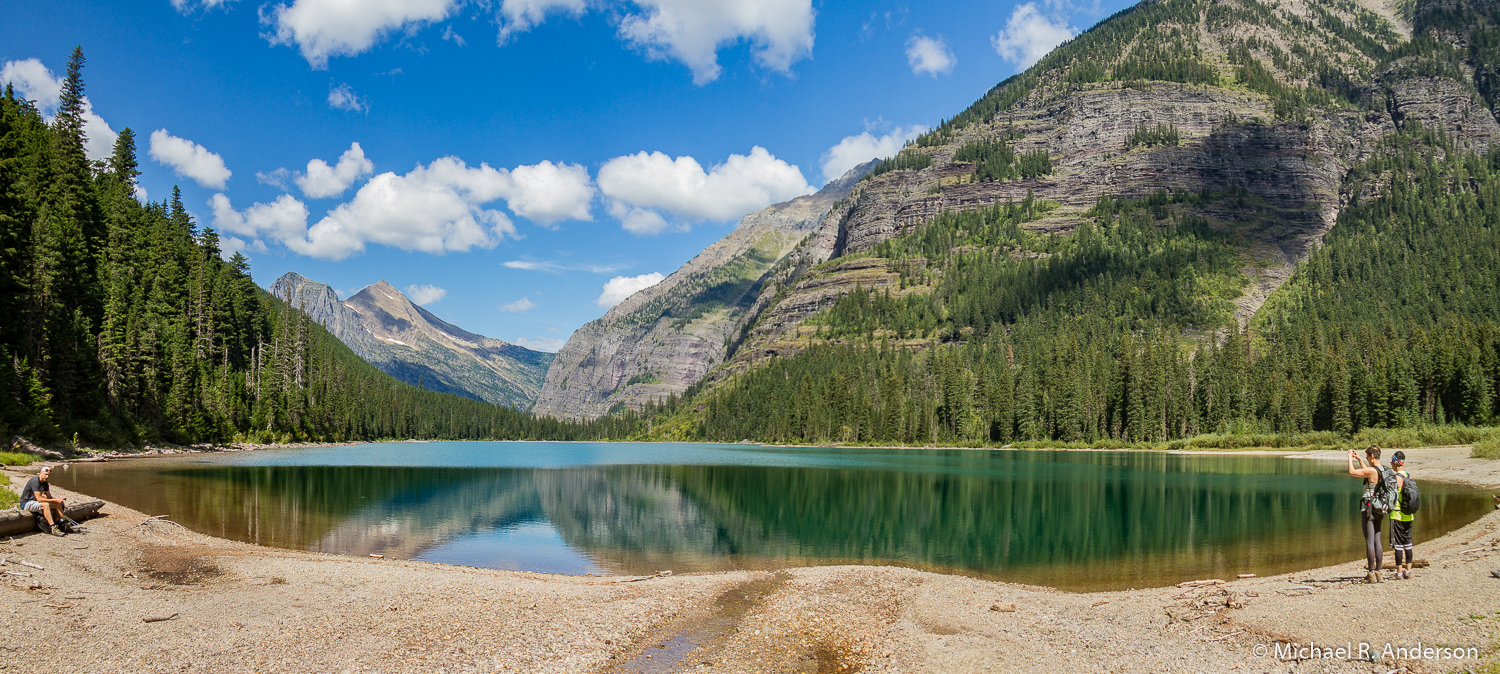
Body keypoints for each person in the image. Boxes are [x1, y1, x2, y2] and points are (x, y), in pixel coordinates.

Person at [1348, 445, 1399, 583]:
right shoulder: (1384, 470)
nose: (1366, 459)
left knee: (1369, 541)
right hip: (1379, 508)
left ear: (1372, 456)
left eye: (1366, 457)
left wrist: (1349, 457)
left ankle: (1371, 573)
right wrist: (1359, 460)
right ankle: (1379, 572)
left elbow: (1352, 472)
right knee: (1377, 539)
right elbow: (1368, 471)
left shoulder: (1371, 471)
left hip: (1369, 508)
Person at [17, 466, 70, 537]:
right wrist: (54, 500)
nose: (47, 476)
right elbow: (39, 498)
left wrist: (58, 499)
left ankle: (65, 524)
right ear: (40, 473)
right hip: (26, 503)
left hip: (36, 503)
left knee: (57, 504)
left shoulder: (45, 483)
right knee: (45, 505)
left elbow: (49, 497)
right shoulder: (35, 481)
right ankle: (53, 527)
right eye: (45, 474)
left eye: (48, 475)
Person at [1389, 451, 1415, 579]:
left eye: (1391, 462)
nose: (1391, 464)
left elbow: (1392, 496)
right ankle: (1408, 571)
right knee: (1408, 543)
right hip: (1409, 515)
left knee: (1398, 545)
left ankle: (1399, 572)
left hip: (1397, 515)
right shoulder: (1409, 476)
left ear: (1395, 462)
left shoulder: (1396, 478)